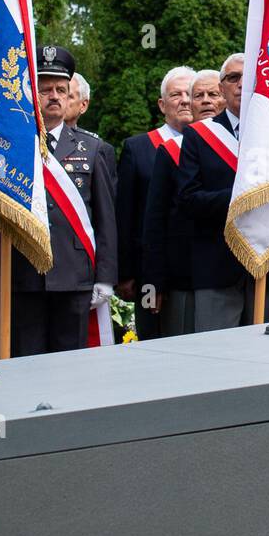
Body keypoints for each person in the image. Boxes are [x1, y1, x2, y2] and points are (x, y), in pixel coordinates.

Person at [0, 45, 118, 356]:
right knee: (17, 366)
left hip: (72, 279)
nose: (53, 96)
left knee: (69, 368)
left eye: (61, 89)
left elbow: (106, 220)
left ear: (71, 96)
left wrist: (106, 278)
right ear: (28, 93)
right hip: (12, 275)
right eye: (44, 89)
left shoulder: (93, 149)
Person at [176, 52, 269, 329]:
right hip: (215, 273)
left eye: (247, 77)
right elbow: (188, 201)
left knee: (267, 365)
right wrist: (244, 195)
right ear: (221, 89)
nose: (240, 84)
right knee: (217, 363)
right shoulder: (199, 136)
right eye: (232, 78)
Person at [115, 66, 195, 338]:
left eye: (190, 93)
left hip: (197, 271)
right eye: (176, 94)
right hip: (149, 274)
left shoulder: (215, 148)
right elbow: (125, 215)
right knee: (154, 345)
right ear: (162, 105)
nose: (184, 100)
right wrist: (125, 274)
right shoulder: (138, 149)